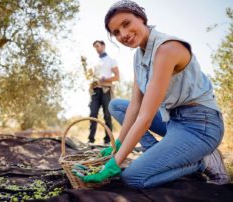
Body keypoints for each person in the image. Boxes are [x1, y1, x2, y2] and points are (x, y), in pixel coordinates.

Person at [75, 0, 230, 188]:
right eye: (116, 32)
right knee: (116, 106)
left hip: (200, 126)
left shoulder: (167, 49)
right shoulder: (138, 56)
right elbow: (135, 106)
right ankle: (160, 156)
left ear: (141, 18)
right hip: (172, 120)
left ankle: (201, 161)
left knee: (133, 178)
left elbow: (145, 117)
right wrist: (116, 147)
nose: (123, 34)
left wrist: (113, 164)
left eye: (126, 23)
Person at [87, 40, 120, 145]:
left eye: (97, 46)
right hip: (95, 90)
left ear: (103, 46)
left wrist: (104, 79)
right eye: (95, 47)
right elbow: (90, 75)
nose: (96, 48)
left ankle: (107, 141)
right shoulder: (94, 61)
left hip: (106, 90)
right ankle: (90, 140)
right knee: (92, 114)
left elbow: (117, 77)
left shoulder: (111, 60)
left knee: (107, 115)